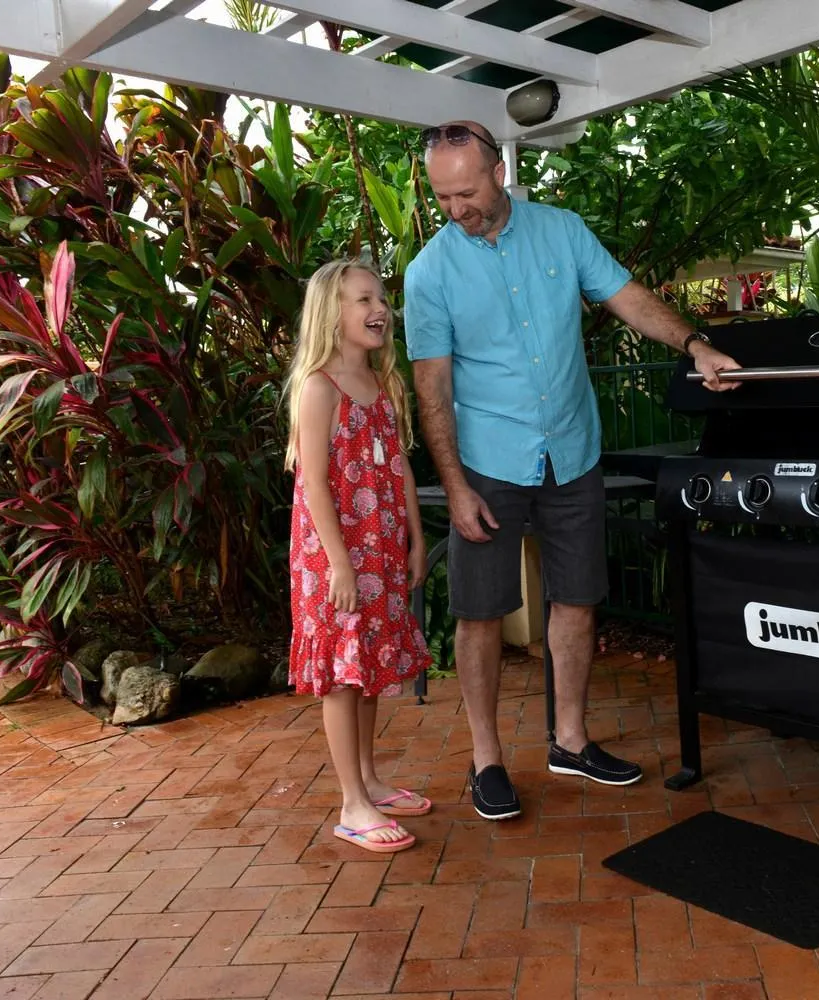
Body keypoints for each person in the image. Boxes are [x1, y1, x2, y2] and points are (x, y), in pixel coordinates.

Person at [404, 120, 741, 821]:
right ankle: (487, 759)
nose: (456, 208)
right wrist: (457, 486)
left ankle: (570, 740)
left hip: (572, 453)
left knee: (578, 599)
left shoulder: (562, 230)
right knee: (480, 614)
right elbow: (432, 390)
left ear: (499, 173)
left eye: (466, 191)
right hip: (489, 465)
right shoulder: (429, 272)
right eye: (442, 197)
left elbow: (628, 297)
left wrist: (695, 342)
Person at [285, 258, 435, 854]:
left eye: (380, 298)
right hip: (335, 554)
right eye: (362, 300)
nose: (379, 310)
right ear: (331, 313)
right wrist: (342, 563)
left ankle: (369, 779)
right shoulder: (319, 387)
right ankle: (351, 803)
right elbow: (314, 483)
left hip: (380, 544)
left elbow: (398, 466)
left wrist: (416, 536)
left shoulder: (382, 383)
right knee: (342, 678)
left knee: (367, 668)